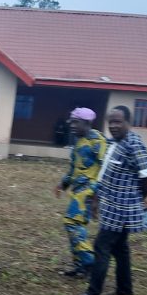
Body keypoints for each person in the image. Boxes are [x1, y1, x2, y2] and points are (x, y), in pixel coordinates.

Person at [76, 105, 147, 295]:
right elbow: (105, 173)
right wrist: (96, 198)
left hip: (122, 208)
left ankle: (93, 293)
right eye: (111, 121)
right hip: (111, 204)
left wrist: (139, 197)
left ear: (128, 122)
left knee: (101, 246)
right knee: (120, 248)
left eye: (118, 121)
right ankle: (125, 290)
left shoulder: (134, 144)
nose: (113, 125)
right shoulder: (114, 143)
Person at [54, 108, 106, 278]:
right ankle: (80, 266)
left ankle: (90, 262)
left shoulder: (97, 141)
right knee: (75, 225)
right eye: (72, 121)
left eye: (76, 122)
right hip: (78, 189)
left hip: (90, 190)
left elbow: (106, 169)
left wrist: (98, 196)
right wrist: (63, 183)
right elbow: (73, 168)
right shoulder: (78, 142)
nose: (72, 125)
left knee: (71, 221)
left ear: (87, 123)